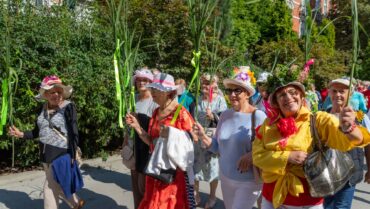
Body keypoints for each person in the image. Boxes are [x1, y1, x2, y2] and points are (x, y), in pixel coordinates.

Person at [252, 67, 370, 209]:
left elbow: (350, 141)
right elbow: (257, 156)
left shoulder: (318, 120)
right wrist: (287, 157)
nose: (288, 97)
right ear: (276, 102)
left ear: (302, 97)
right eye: (282, 95)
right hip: (271, 199)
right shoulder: (268, 125)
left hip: (307, 202)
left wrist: (349, 128)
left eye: (293, 92)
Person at [193, 66, 266, 209]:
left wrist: (251, 155)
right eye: (230, 90)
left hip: (248, 181)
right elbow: (217, 147)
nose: (232, 95)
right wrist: (202, 135)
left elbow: (269, 149)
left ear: (247, 93)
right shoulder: (225, 115)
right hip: (225, 178)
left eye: (237, 90)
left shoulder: (258, 116)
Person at [8, 75, 84, 209]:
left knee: (49, 188)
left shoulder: (68, 107)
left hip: (62, 155)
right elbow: (37, 132)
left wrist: (72, 155)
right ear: (46, 94)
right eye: (52, 91)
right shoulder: (42, 109)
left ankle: (76, 203)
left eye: (59, 91)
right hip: (45, 157)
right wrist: (21, 134)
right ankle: (76, 203)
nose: (56, 94)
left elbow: (74, 132)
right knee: (56, 185)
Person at [125, 73, 196, 209]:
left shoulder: (180, 113)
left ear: (168, 92)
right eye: (152, 89)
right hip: (156, 172)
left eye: (156, 90)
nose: (152, 93)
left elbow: (193, 139)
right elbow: (152, 142)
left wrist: (171, 134)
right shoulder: (156, 112)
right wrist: (137, 127)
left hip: (173, 175)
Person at [323, 78, 370, 209]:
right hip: (326, 174)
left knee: (341, 207)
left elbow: (368, 144)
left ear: (350, 94)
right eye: (334, 91)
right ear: (329, 93)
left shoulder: (360, 117)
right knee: (326, 206)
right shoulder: (322, 116)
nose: (338, 94)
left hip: (349, 175)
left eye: (342, 91)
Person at [193, 73, 227, 208]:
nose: (205, 85)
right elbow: (192, 117)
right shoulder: (198, 99)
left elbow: (224, 118)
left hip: (212, 139)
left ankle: (212, 196)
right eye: (203, 82)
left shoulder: (219, 100)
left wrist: (213, 115)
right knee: (195, 167)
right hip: (197, 139)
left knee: (213, 168)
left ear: (214, 85)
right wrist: (193, 132)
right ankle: (195, 194)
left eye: (208, 83)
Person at [127, 68, 158, 209]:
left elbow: (155, 131)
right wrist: (126, 141)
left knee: (145, 190)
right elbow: (128, 127)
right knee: (136, 190)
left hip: (148, 151)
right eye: (138, 80)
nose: (141, 82)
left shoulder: (155, 103)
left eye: (145, 80)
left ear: (151, 82)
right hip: (135, 149)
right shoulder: (133, 101)